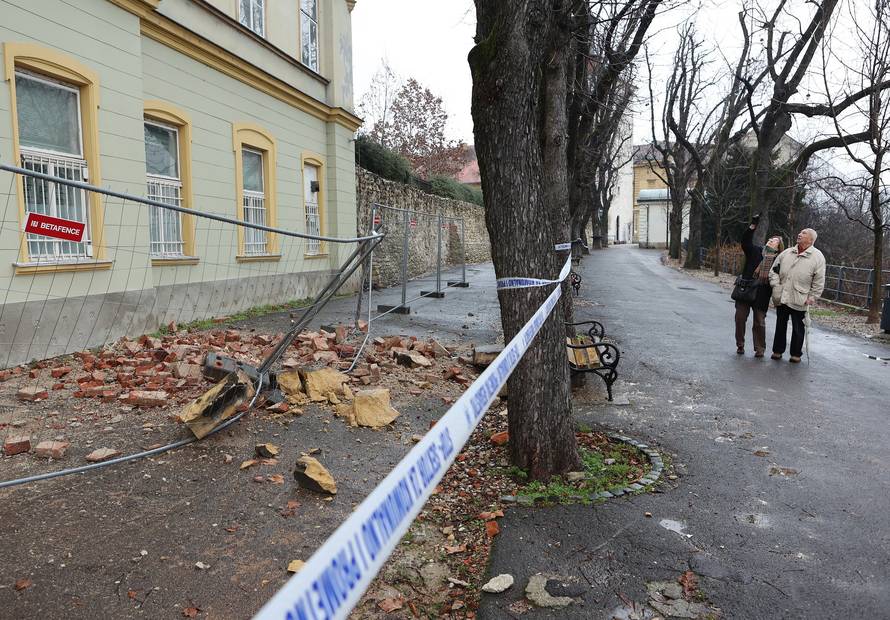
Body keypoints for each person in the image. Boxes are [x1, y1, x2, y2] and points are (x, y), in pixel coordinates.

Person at [769, 228, 826, 363]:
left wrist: (813, 296)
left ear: (811, 240)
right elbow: (774, 270)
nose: (800, 234)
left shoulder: (817, 257)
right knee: (780, 325)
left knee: (798, 328)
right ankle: (777, 351)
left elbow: (819, 280)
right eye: (800, 232)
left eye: (804, 233)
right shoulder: (786, 253)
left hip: (801, 297)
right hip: (783, 294)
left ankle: (796, 354)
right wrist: (775, 285)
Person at [735, 214, 784, 357]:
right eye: (770, 239)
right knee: (740, 319)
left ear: (778, 246)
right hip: (746, 289)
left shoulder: (779, 259)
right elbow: (745, 242)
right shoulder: (755, 251)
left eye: (774, 241)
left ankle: (760, 348)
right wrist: (752, 226)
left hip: (762, 293)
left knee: (759, 322)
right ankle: (740, 345)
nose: (770, 241)